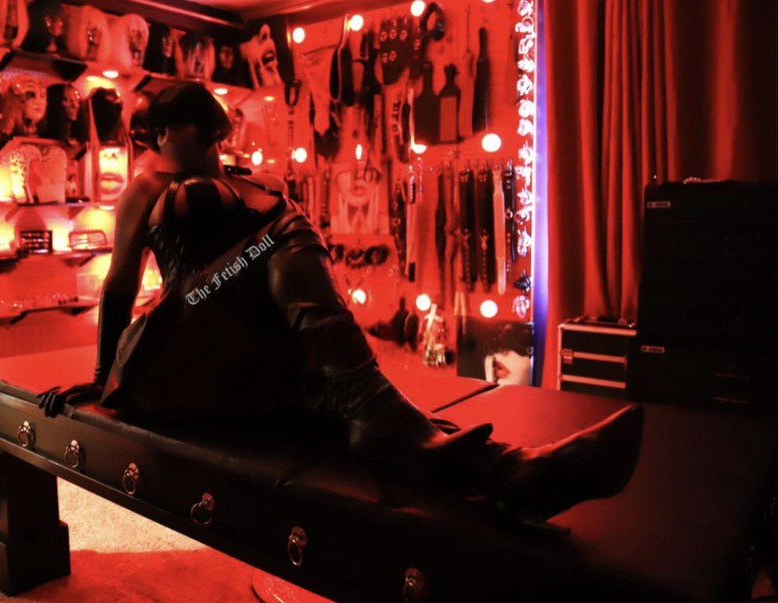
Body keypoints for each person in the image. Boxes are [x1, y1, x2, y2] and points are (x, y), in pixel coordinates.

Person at [40, 82, 644, 521]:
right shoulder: (146, 188)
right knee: (286, 229)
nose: (160, 141)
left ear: (196, 131)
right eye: (161, 133)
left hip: (237, 363)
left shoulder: (243, 183)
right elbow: (119, 286)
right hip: (169, 362)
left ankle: (514, 471)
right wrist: (102, 375)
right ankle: (396, 415)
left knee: (357, 406)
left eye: (170, 131)